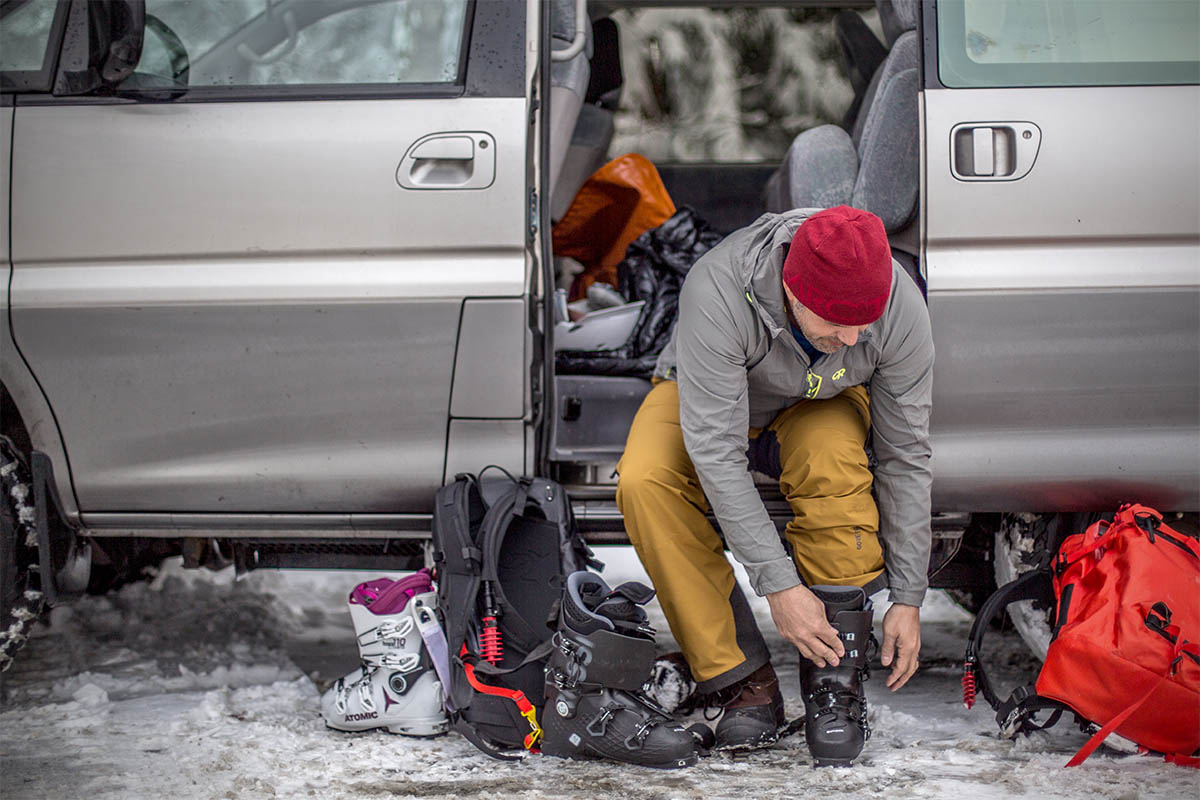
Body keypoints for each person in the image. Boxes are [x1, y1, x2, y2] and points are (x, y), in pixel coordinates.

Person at [616, 205, 933, 766]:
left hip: (822, 400)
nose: (854, 335)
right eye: (837, 321)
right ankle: (740, 680)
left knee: (831, 455)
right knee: (646, 479)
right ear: (793, 288)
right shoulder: (718, 286)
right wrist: (781, 588)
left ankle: (835, 676)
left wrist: (908, 596)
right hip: (715, 399)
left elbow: (905, 452)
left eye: (866, 321)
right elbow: (716, 451)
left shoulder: (898, 306)